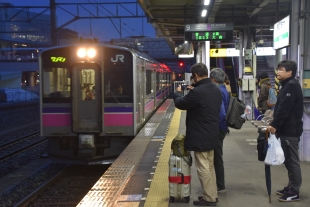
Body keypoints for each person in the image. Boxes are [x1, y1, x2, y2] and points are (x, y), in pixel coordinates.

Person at [173, 63, 222, 206]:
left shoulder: (197, 92)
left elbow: (181, 103)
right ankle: (212, 194)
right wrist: (195, 90)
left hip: (200, 135)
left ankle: (209, 198)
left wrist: (177, 93)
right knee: (210, 166)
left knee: (202, 167)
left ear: (195, 75)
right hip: (212, 133)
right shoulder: (215, 88)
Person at [267, 60, 303, 202]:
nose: (278, 72)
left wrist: (275, 125)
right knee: (288, 160)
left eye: (281, 69)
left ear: (290, 72)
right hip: (287, 130)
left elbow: (284, 109)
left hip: (290, 130)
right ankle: (291, 186)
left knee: (292, 161)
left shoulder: (291, 86)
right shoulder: (287, 85)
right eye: (278, 69)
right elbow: (280, 107)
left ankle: (294, 191)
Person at [210, 68, 230, 193]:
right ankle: (219, 184)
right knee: (217, 156)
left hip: (219, 128)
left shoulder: (217, 90)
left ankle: (220, 185)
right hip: (222, 127)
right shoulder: (224, 89)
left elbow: (221, 113)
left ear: (213, 79)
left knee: (217, 157)